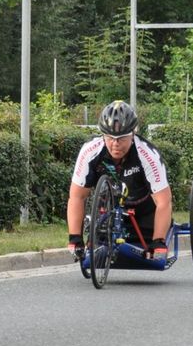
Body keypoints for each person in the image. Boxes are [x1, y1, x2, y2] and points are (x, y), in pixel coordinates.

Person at [67, 100, 172, 261]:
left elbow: (163, 201)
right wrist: (75, 238)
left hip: (143, 211)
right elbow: (77, 196)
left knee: (151, 243)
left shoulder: (147, 154)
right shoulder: (89, 151)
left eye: (122, 138)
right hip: (108, 212)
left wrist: (159, 241)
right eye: (109, 138)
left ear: (133, 134)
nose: (115, 144)